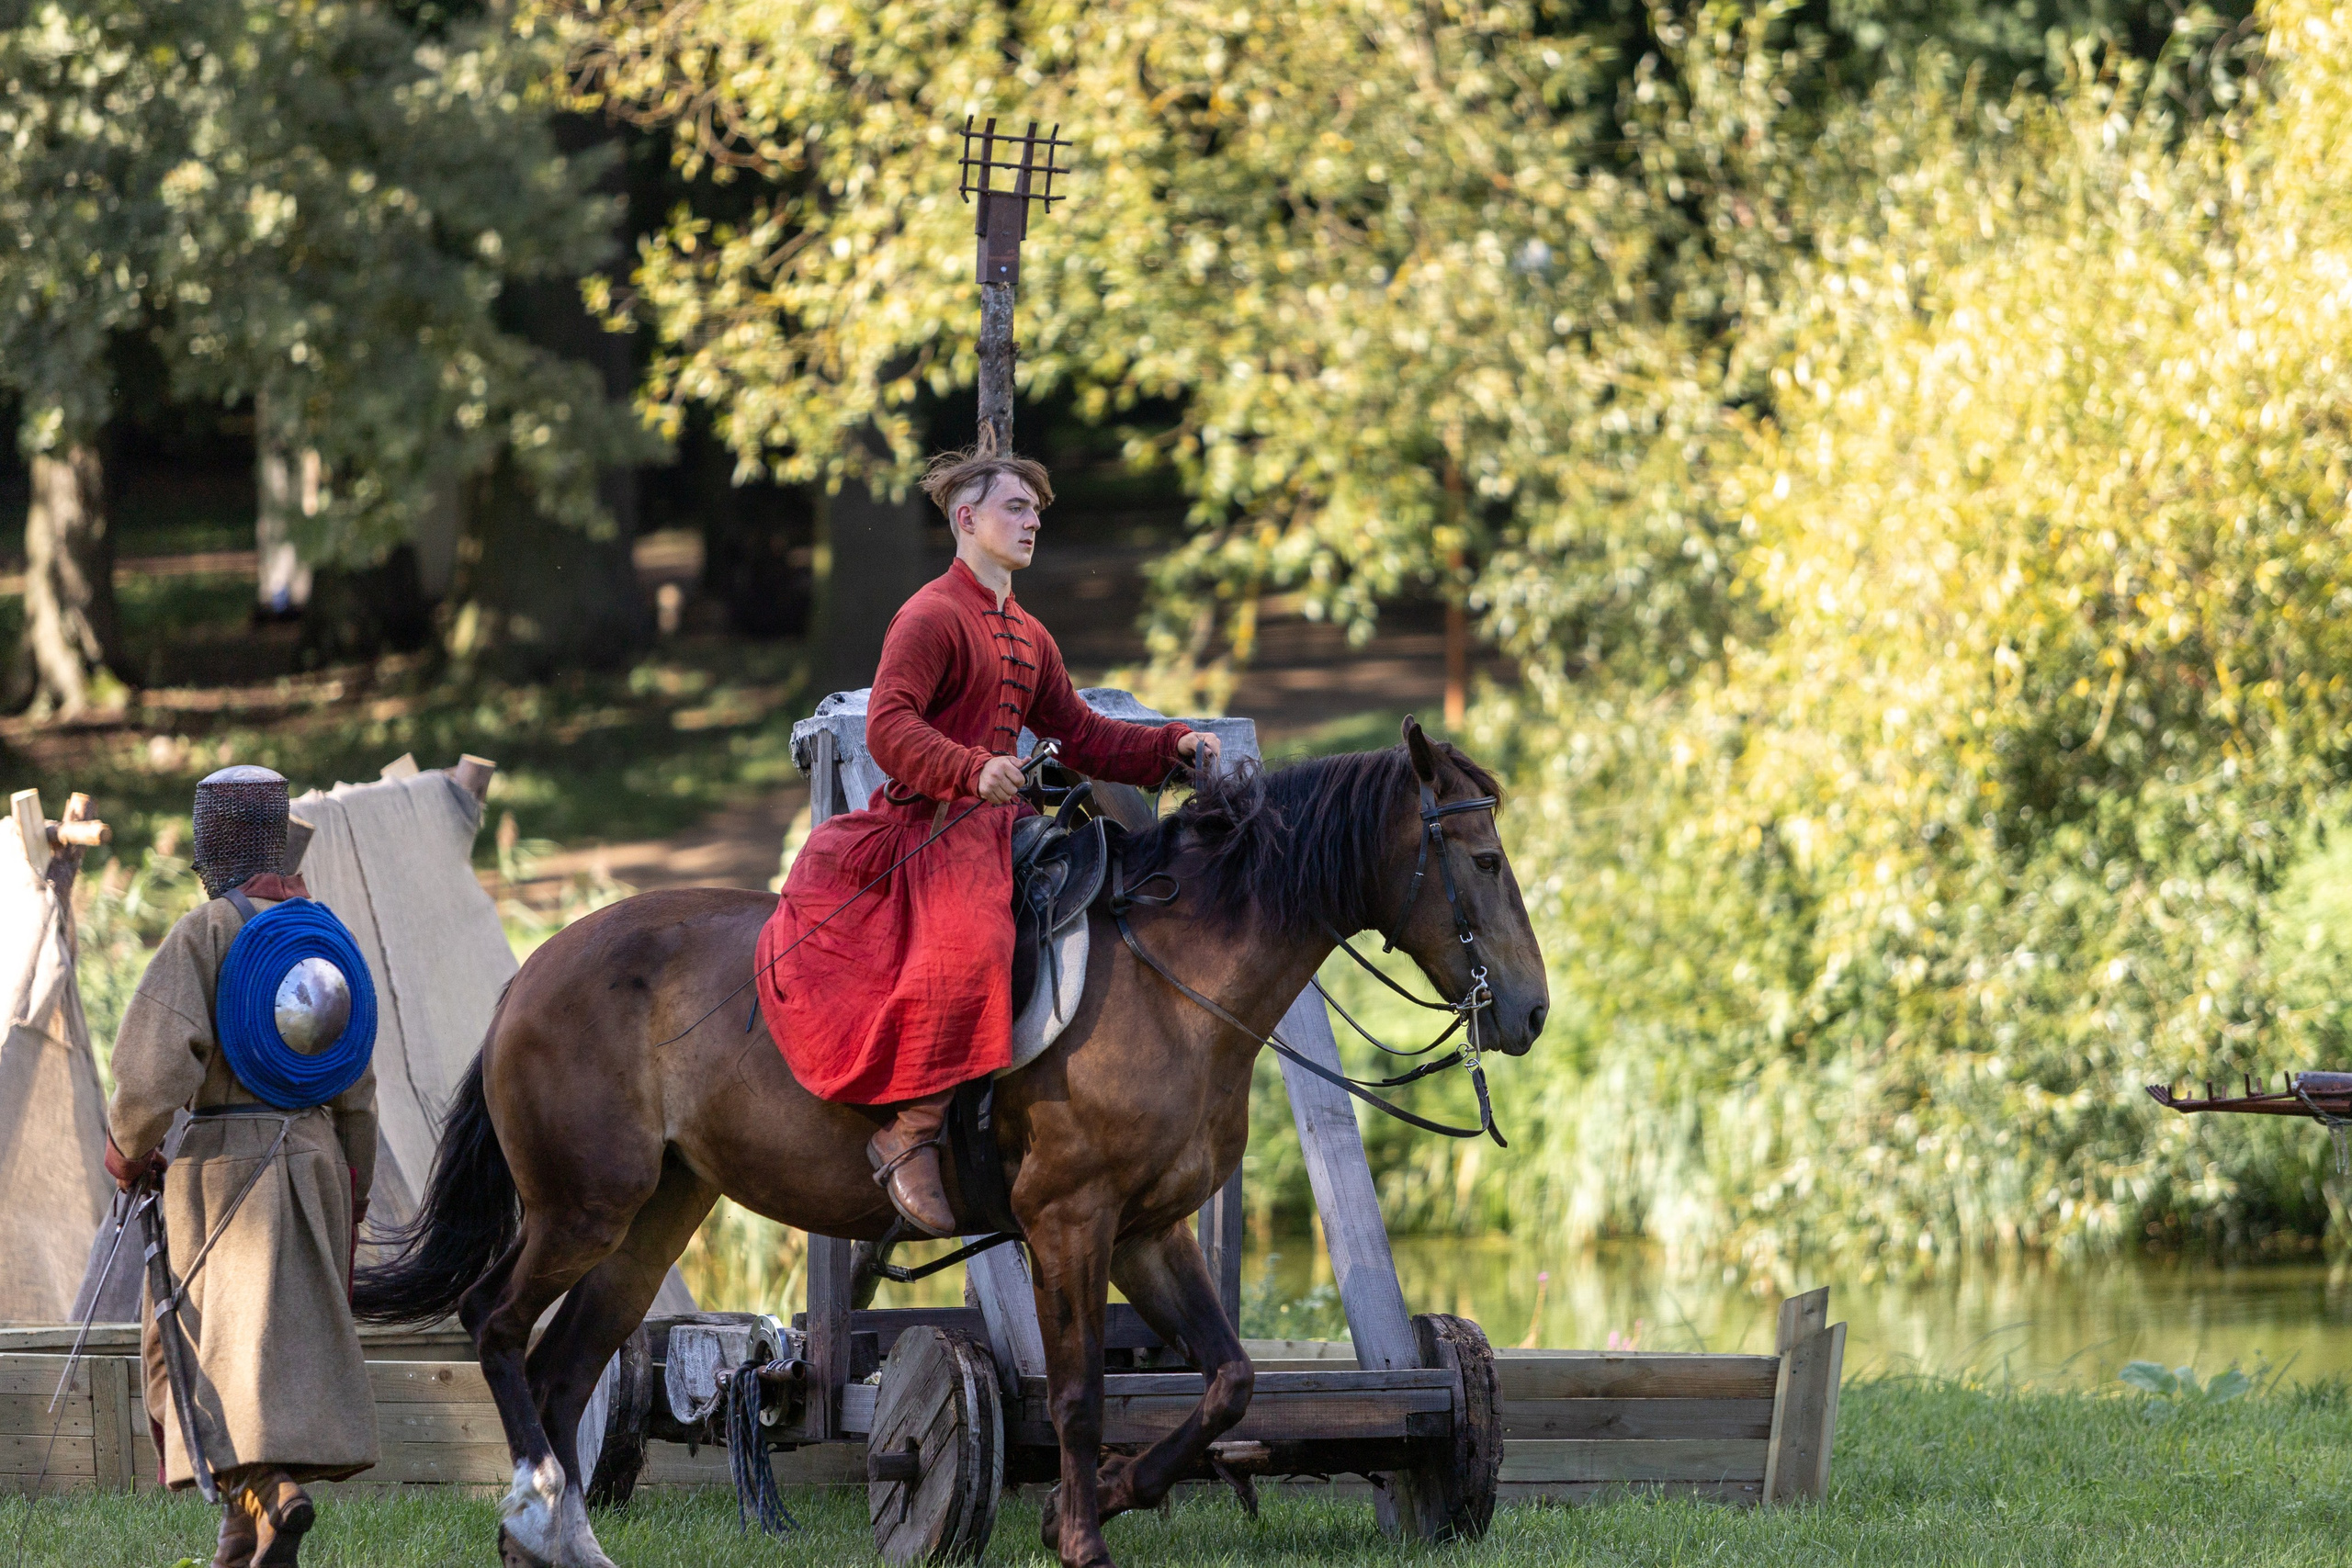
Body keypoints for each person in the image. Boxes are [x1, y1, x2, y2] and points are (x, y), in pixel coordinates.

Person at [756, 450, 1221, 1235]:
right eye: (1015, 506)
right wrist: (971, 771)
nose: (1033, 519)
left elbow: (1079, 734)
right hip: (928, 825)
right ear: (966, 520)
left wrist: (1169, 745)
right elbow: (889, 725)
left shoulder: (1027, 631)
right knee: (974, 935)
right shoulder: (930, 614)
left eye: (1036, 508)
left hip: (1001, 822)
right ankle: (911, 1131)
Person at [106, 765, 379, 1568]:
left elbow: (155, 1070)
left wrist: (129, 1149)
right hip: (319, 1161)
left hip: (223, 1168)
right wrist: (350, 1186)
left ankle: (273, 1494)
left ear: (210, 838)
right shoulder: (332, 940)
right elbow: (359, 1090)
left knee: (195, 1348)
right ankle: (243, 1534)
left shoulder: (208, 931)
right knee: (273, 1353)